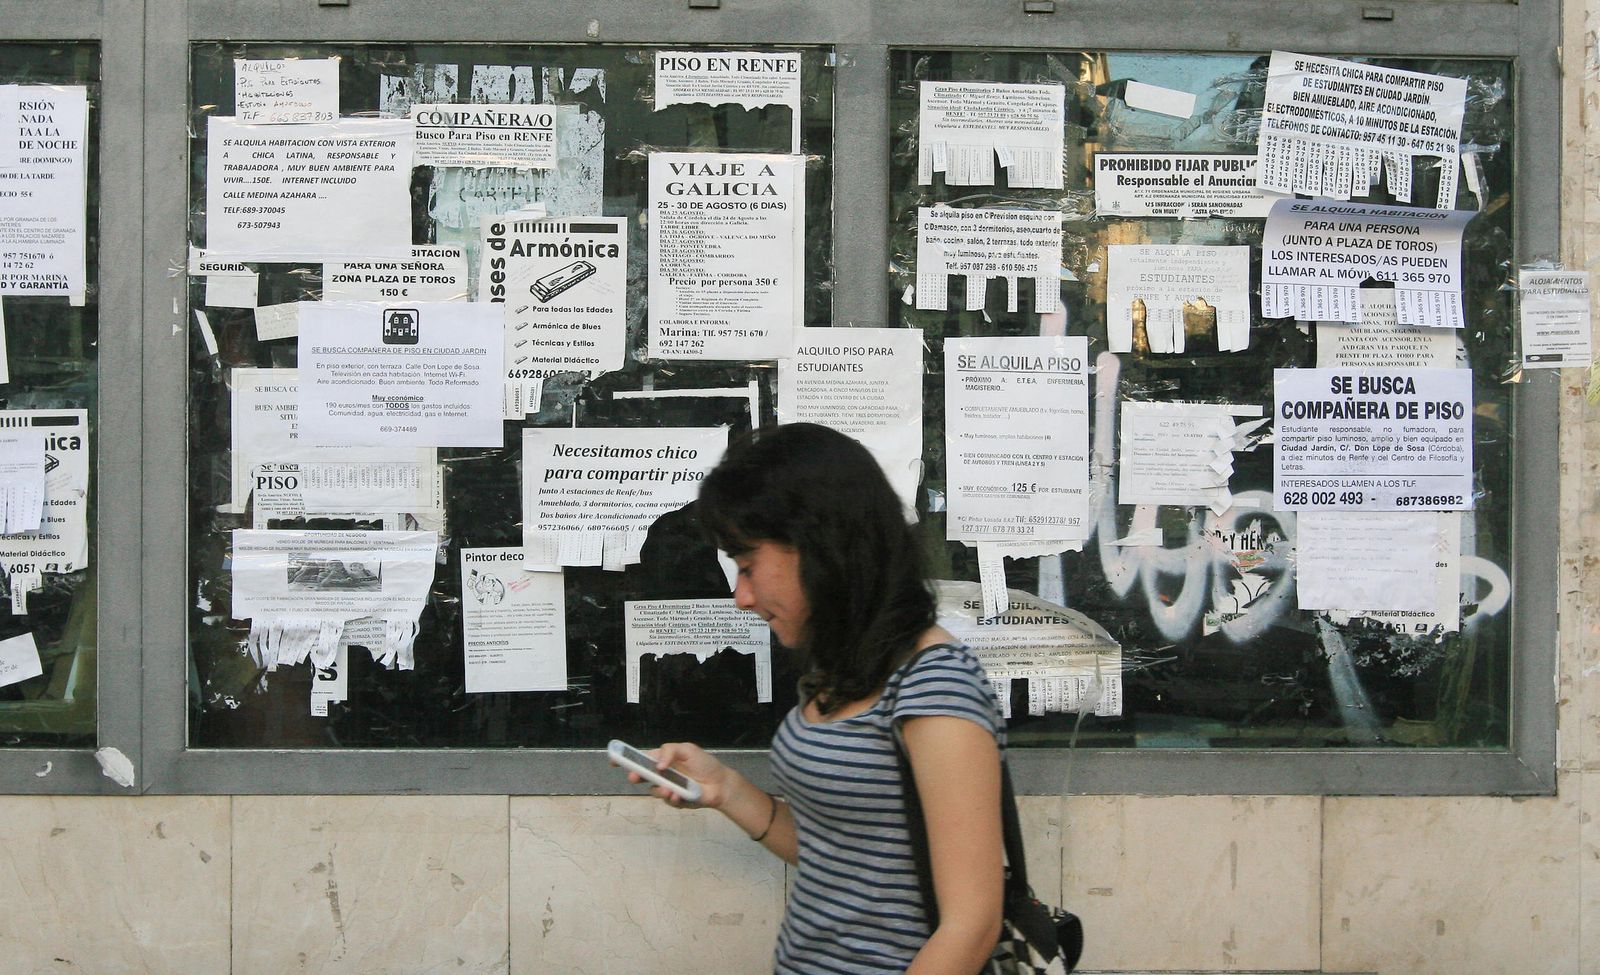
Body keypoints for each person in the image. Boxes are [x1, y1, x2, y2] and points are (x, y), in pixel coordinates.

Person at [627, 423, 1006, 974]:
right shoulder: (841, 669)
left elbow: (971, 926)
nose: (742, 597)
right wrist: (726, 789)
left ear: (818, 547)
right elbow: (840, 854)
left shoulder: (934, 683)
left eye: (749, 565)